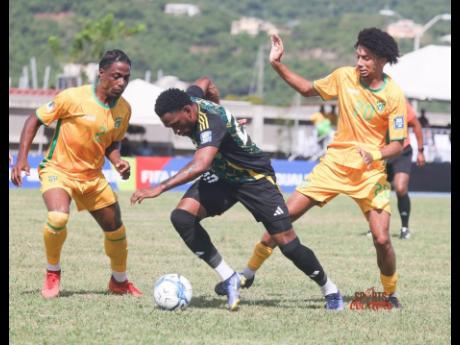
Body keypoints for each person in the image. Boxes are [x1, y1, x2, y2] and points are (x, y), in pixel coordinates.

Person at [215, 28, 407, 308]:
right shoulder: (344, 77)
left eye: (365, 58)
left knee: (381, 239)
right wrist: (277, 64)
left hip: (369, 175)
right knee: (280, 219)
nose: (359, 63)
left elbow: (399, 145)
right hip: (333, 167)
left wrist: (375, 152)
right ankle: (247, 275)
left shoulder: (393, 95)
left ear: (381, 59)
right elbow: (307, 89)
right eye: (357, 57)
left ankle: (390, 293)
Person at [130, 76, 343, 311]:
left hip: (254, 178)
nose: (177, 131)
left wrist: (159, 187)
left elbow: (200, 165)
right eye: (170, 127)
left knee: (287, 244)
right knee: (182, 217)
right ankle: (229, 277)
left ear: (188, 110)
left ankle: (330, 289)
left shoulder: (210, 121)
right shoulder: (190, 98)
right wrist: (227, 117)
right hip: (223, 176)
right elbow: (207, 81)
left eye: (176, 124)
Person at [11, 49, 142, 299]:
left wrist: (118, 162)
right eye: (116, 76)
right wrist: (22, 158)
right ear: (101, 73)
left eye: (126, 78)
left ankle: (119, 281)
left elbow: (112, 142)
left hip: (92, 177)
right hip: (58, 170)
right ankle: (53, 272)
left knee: (116, 230)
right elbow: (34, 119)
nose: (121, 83)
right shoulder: (73, 97)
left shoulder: (124, 109)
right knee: (58, 218)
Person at [367, 99, 425, 239]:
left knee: (400, 188)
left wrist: (421, 151)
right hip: (380, 152)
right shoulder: (369, 100)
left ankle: (404, 228)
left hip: (401, 150)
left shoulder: (400, 101)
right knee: (375, 190)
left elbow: (416, 125)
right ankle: (375, 227)